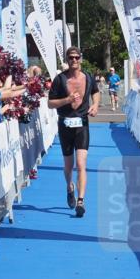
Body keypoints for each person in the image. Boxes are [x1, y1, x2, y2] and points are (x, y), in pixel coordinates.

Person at [48, 47, 99, 217]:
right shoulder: (59, 79)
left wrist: (95, 105)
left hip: (82, 125)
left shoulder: (89, 77)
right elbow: (50, 103)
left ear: (81, 59)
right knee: (68, 166)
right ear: (67, 60)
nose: (74, 60)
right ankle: (70, 187)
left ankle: (81, 201)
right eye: (71, 58)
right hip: (65, 126)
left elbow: (96, 92)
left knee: (81, 164)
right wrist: (67, 100)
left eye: (77, 57)